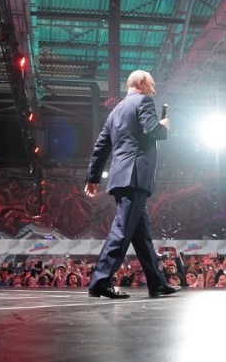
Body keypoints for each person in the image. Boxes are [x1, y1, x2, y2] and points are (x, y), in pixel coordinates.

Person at [84, 70, 180, 300]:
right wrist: (164, 126)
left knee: (141, 235)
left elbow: (100, 147)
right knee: (122, 229)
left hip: (121, 177)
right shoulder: (144, 101)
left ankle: (157, 282)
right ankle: (100, 280)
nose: (154, 90)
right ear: (140, 83)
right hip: (135, 176)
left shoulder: (114, 112)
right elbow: (151, 130)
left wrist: (93, 178)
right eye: (152, 84)